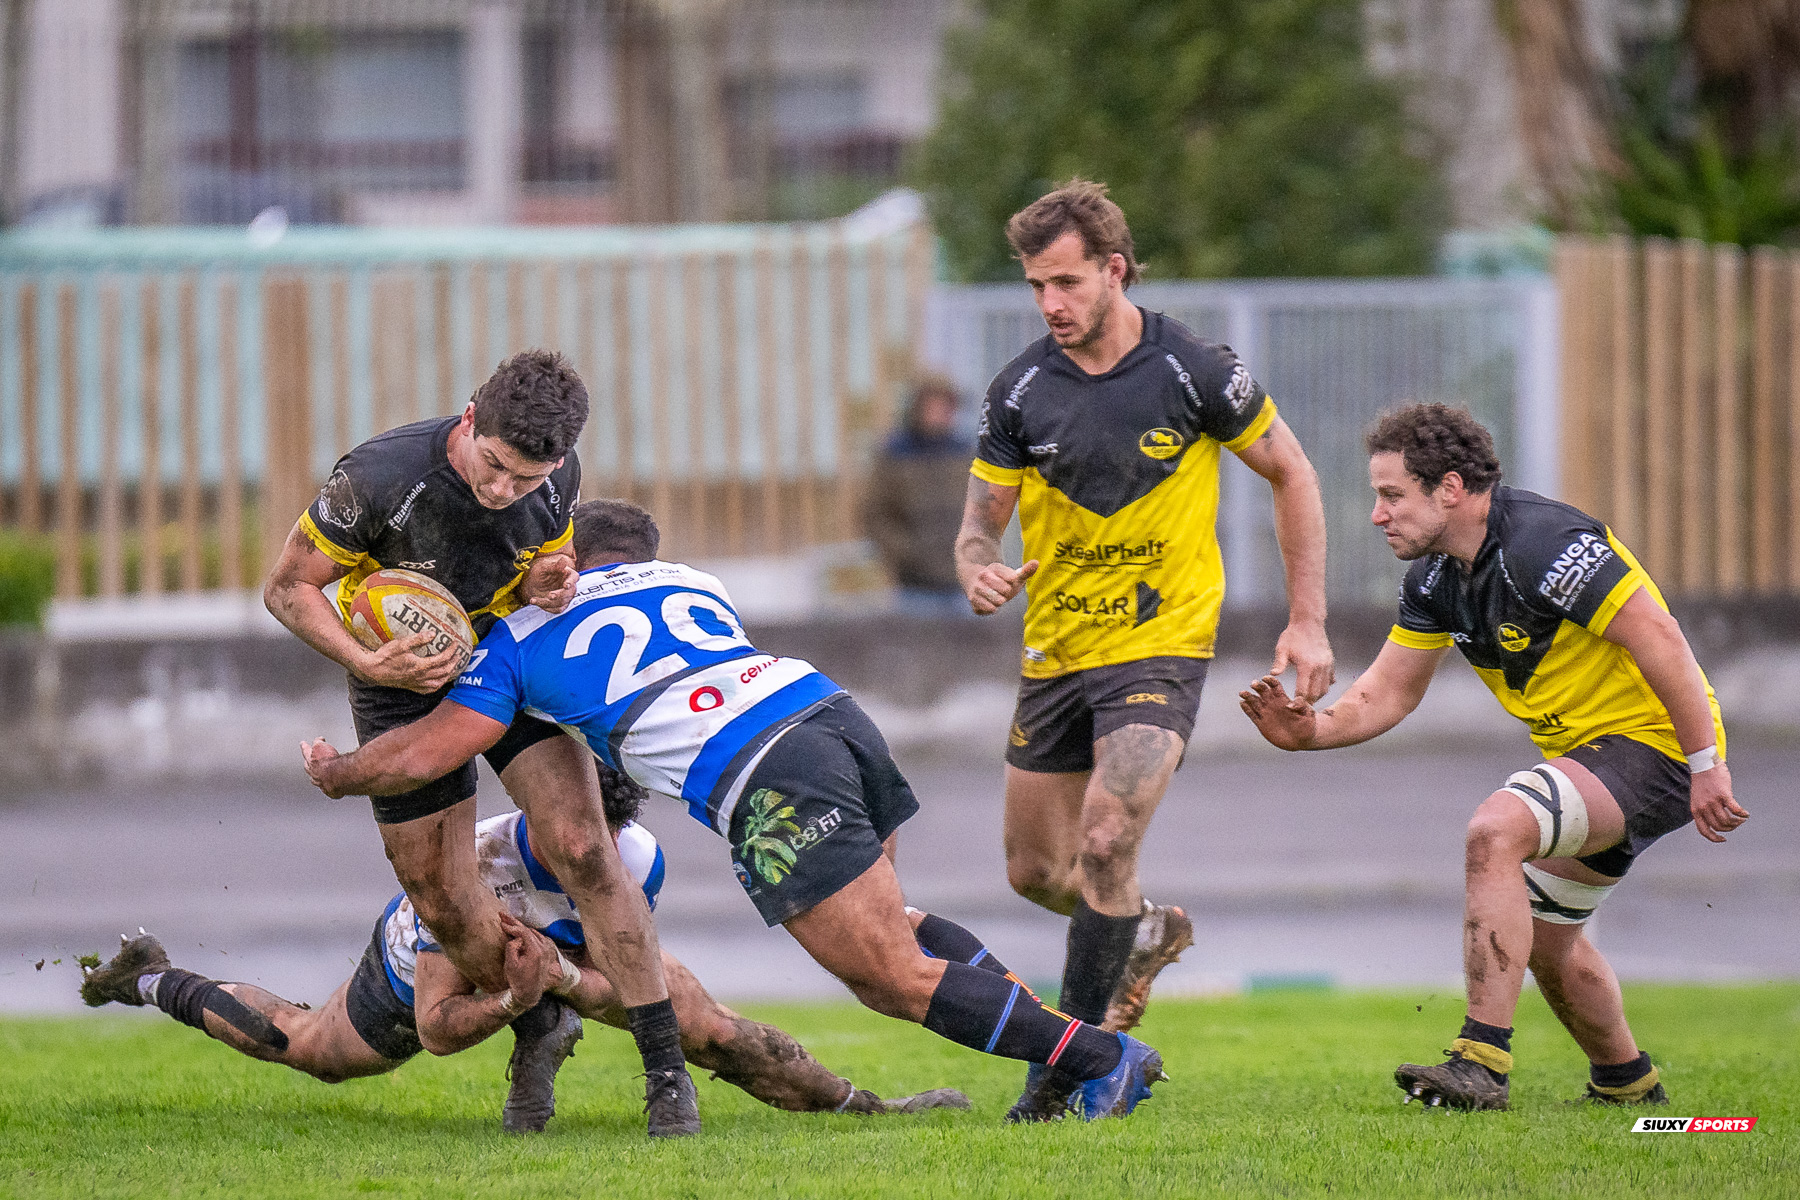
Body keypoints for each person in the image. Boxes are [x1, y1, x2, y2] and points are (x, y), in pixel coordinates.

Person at [303, 498, 1168, 1122]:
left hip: (765, 773)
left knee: (889, 977)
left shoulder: (517, 640)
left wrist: (344, 772)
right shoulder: (692, 580)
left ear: (568, 560)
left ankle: (1102, 1057)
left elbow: (429, 752)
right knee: (896, 929)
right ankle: (1059, 1077)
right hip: (829, 711)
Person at [1240, 403, 1746, 1111]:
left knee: (1496, 829)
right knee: (1548, 941)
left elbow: (1658, 635)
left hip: (1655, 748)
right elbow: (1389, 692)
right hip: (1594, 761)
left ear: (1450, 488)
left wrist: (1706, 764)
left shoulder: (1546, 543)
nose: (1378, 515)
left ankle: (1480, 1062)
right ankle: (1630, 1091)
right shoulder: (1435, 580)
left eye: (1392, 495)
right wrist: (1310, 732)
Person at [954, 179, 1334, 1119]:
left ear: (1115, 270)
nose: (1050, 303)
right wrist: (978, 569)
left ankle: (1063, 1080)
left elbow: (1292, 471)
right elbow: (978, 528)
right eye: (1036, 286)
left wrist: (1308, 619)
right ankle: (1143, 929)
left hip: (1162, 641)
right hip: (1057, 651)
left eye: (1067, 282)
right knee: (1037, 874)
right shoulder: (1020, 391)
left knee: (1105, 838)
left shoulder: (1193, 369)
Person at [261, 349, 696, 1136]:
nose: (503, 490)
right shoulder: (379, 478)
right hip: (398, 677)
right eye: (493, 467)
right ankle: (539, 1016)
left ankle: (667, 1076)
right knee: (443, 899)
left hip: (505, 657)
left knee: (585, 847)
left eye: (525, 480)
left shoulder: (556, 476)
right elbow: (287, 587)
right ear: (470, 420)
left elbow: (545, 560)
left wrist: (548, 581)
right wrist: (368, 660)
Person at [78, 767, 969, 1130]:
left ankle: (866, 1109)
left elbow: (631, 984)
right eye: (565, 837)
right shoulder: (470, 872)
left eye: (595, 846)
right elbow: (437, 1029)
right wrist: (514, 997)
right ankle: (153, 975)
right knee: (313, 1049)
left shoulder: (634, 858)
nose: (582, 852)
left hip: (554, 960)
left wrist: (563, 979)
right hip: (431, 959)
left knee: (711, 1028)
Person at [863, 376, 974, 617]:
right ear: (917, 409)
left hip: (962, 583)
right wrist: (906, 553)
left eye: (945, 407)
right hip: (915, 585)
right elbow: (875, 515)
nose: (939, 414)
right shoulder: (895, 456)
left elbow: (985, 509)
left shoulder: (965, 454)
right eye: (933, 407)